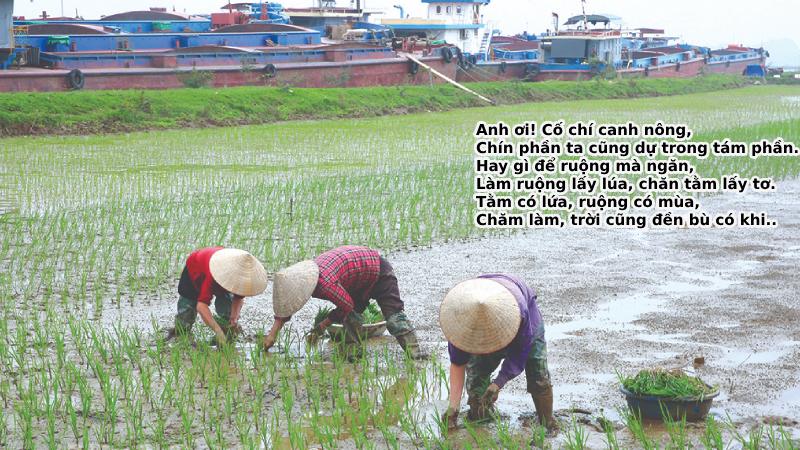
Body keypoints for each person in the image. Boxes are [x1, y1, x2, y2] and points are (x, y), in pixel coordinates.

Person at [439, 274, 558, 434]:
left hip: (522, 313)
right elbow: (458, 363)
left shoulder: (519, 312)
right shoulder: (459, 322)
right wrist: (453, 407)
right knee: (476, 377)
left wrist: (498, 383)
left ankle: (547, 422)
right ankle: (480, 424)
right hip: (478, 312)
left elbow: (519, 355)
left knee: (537, 371)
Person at [262, 245, 426, 359]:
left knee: (393, 318)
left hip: (379, 271)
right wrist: (272, 336)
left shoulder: (325, 284)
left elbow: (347, 306)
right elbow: (286, 308)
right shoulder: (309, 275)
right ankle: (354, 355)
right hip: (357, 278)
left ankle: (415, 355)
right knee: (350, 316)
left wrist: (322, 326)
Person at [167, 247, 268, 346]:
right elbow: (201, 306)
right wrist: (217, 330)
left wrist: (234, 317)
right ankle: (181, 334)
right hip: (195, 268)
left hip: (216, 267)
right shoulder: (214, 274)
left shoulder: (242, 278)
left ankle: (226, 333)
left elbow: (238, 298)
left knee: (227, 308)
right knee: (187, 308)